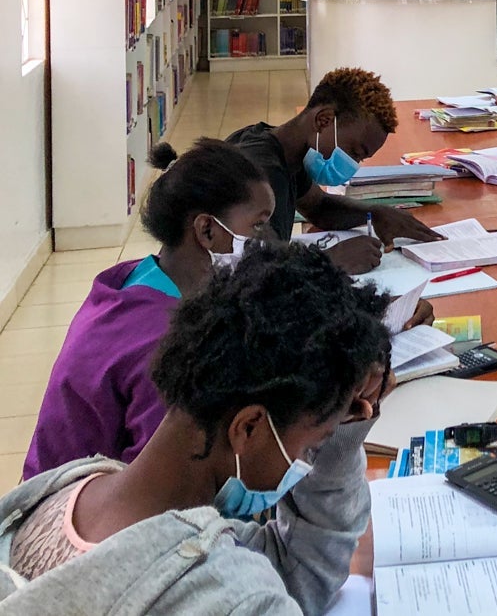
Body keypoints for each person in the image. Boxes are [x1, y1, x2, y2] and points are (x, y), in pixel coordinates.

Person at [0, 241, 393, 613]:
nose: (304, 464)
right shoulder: (233, 598)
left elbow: (287, 574)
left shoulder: (65, 491)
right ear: (249, 428)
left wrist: (337, 424)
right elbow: (276, 586)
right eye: (311, 449)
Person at [23, 140, 276, 479]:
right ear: (207, 230)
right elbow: (162, 486)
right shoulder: (167, 345)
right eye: (258, 225)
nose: (268, 241)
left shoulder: (141, 276)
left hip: (62, 491)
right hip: (77, 516)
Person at [225, 66, 441, 274]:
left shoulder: (284, 150)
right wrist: (329, 260)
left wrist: (375, 214)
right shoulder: (262, 175)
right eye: (354, 152)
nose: (352, 165)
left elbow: (319, 207)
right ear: (324, 120)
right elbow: (254, 276)